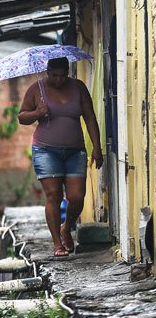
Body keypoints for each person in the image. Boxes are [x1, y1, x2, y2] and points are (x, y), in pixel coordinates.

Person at [18, 56, 103, 257]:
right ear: (48, 72)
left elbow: (90, 118)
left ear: (68, 72)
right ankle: (58, 243)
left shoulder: (78, 87)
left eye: (63, 75)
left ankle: (67, 227)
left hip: (75, 150)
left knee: (76, 197)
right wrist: (38, 112)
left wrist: (97, 148)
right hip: (46, 150)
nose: (58, 79)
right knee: (53, 196)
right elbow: (22, 117)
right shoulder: (36, 89)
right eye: (54, 75)